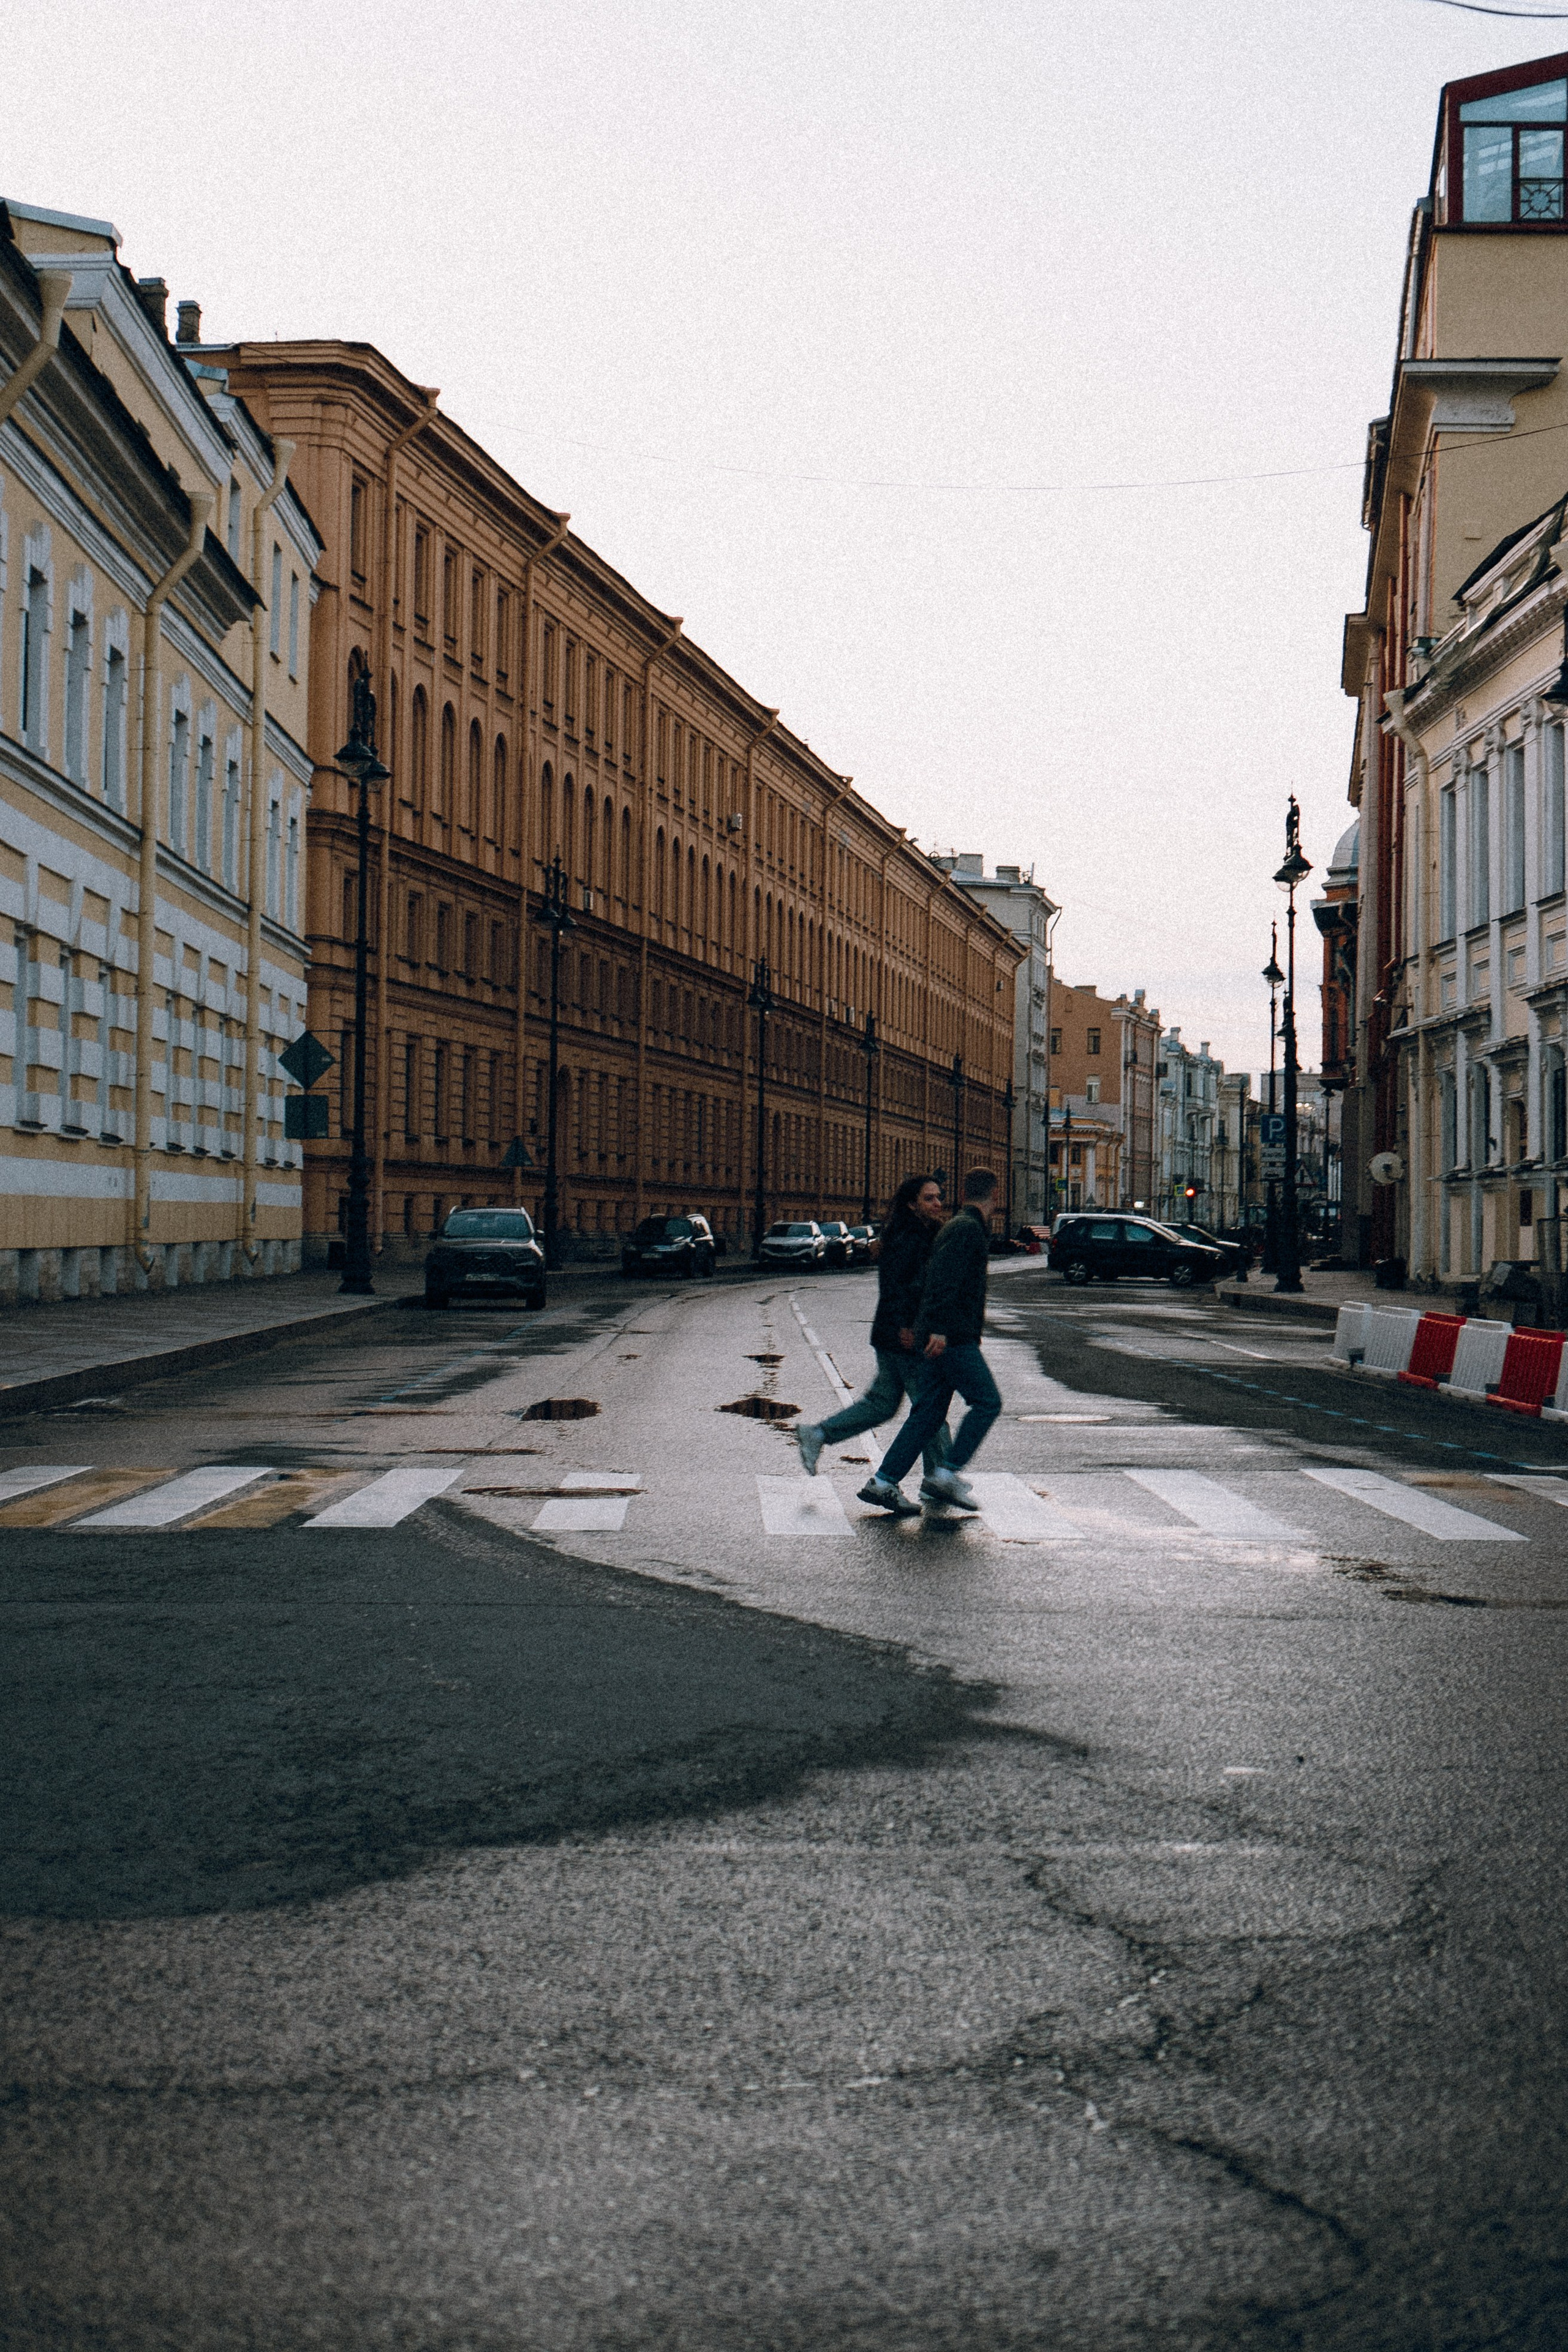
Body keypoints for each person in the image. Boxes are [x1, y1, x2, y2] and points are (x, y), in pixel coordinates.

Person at [795, 1174, 952, 1517]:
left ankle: (819, 1434)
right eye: (929, 1199)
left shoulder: (908, 1233)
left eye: (939, 1197)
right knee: (930, 1410)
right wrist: (907, 1326)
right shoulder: (913, 1235)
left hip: (892, 1332)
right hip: (905, 1334)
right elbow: (901, 1287)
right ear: (912, 1204)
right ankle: (931, 1480)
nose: (938, 1204)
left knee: (883, 1404)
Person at [873, 1167, 1003, 1513]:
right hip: (952, 1337)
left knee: (928, 1413)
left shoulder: (963, 1226)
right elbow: (942, 1281)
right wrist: (940, 1330)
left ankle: (884, 1481)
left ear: (963, 1194)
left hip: (941, 1333)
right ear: (996, 1194)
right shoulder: (966, 1229)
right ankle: (946, 1473)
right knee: (987, 1402)